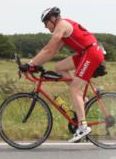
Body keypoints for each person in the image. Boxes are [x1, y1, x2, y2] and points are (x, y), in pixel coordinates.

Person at [23, 7, 104, 142]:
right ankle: (83, 99)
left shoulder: (61, 26)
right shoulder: (62, 27)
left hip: (91, 53)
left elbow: (48, 48)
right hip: (87, 52)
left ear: (53, 19)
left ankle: (83, 127)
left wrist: (30, 64)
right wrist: (34, 64)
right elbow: (52, 52)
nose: (45, 27)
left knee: (74, 89)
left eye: (45, 23)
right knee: (59, 67)